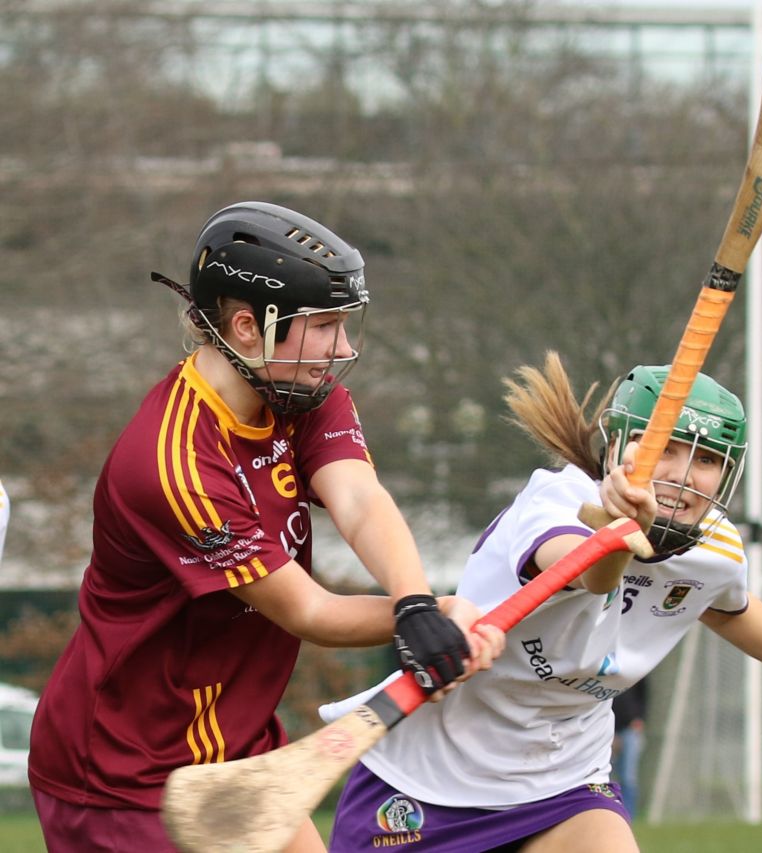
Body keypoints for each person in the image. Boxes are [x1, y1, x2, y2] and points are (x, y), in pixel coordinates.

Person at [26, 201, 504, 853]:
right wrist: (424, 617)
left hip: (239, 750)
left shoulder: (299, 389)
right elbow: (306, 610)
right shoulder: (175, 465)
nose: (344, 347)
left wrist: (419, 601)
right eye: (325, 325)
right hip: (128, 779)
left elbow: (360, 499)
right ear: (247, 326)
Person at [321, 352, 762, 852]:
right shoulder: (553, 503)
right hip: (430, 778)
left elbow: (728, 606)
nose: (686, 477)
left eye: (708, 460)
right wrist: (610, 526)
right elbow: (588, 573)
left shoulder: (714, 546)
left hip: (563, 783)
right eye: (667, 451)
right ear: (621, 449)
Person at [611, 676, 647, 817]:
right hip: (605, 728)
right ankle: (609, 815)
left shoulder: (635, 662)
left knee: (628, 776)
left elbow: (643, 693)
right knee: (602, 777)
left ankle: (627, 816)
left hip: (629, 728)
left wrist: (639, 718)